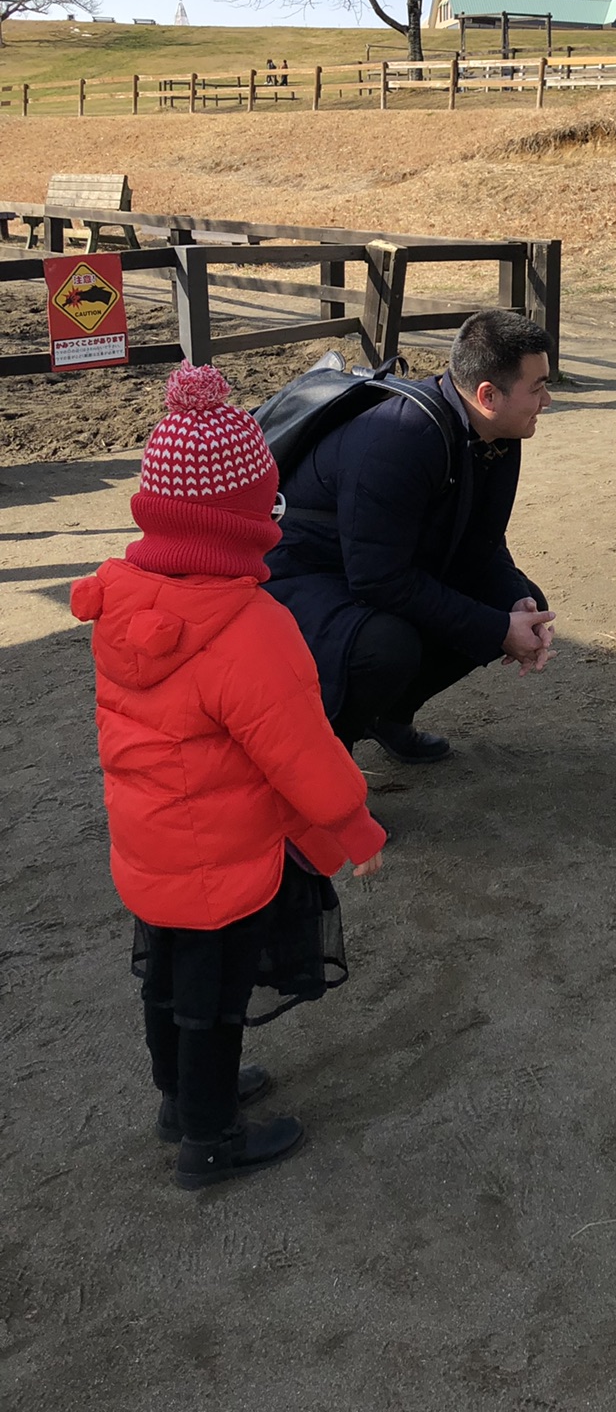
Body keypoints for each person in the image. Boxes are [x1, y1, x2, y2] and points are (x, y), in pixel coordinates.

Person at [71, 363, 387, 1190]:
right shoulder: (251, 625)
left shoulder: (121, 599)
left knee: (168, 979)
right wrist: (354, 825)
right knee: (213, 999)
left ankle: (180, 1100)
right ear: (250, 515)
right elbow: (301, 750)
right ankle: (208, 1142)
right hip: (225, 857)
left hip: (150, 846)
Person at [265, 307, 555, 762]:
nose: (547, 401)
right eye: (537, 388)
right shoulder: (399, 436)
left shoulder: (500, 432)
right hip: (299, 576)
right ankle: (316, 768)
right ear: (488, 395)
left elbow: (482, 542)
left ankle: (388, 715)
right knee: (385, 646)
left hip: (369, 565)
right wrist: (496, 628)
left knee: (519, 603)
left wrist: (513, 599)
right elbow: (378, 580)